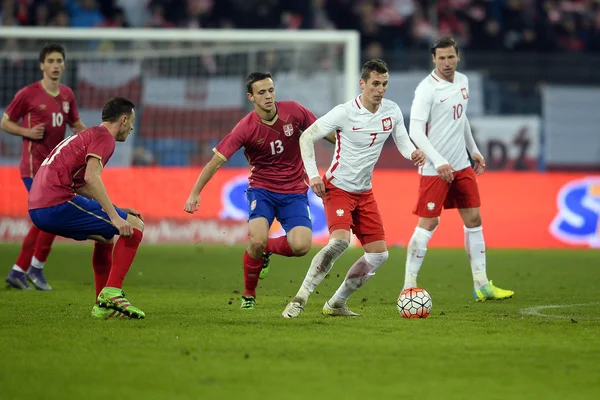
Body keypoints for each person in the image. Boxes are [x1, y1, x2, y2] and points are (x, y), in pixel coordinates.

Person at [282, 59, 425, 318]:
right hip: (337, 188)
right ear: (362, 84)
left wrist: (413, 152)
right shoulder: (344, 112)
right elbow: (306, 136)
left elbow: (402, 142)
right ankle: (300, 298)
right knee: (339, 244)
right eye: (375, 84)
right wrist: (313, 175)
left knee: (379, 255)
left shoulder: (391, 112)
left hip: (365, 192)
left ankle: (336, 303)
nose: (380, 89)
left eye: (384, 84)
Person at [183, 72, 335, 309]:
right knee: (257, 240)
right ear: (251, 97)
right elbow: (216, 161)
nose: (268, 96)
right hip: (261, 189)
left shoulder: (294, 111)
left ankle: (265, 251)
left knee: (301, 246)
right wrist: (195, 192)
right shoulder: (245, 128)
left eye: (271, 90)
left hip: (294, 190)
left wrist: (350, 141)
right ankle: (248, 294)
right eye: (261, 92)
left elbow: (323, 132)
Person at [402, 37, 514, 301]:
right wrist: (438, 160)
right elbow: (415, 130)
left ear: (458, 57)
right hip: (434, 168)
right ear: (433, 59)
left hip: (461, 165)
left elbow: (460, 117)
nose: (447, 62)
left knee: (474, 219)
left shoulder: (463, 82)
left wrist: (473, 149)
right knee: (429, 222)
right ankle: (408, 285)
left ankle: (482, 285)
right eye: (441, 58)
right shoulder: (426, 90)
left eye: (450, 57)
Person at [28, 97, 145, 319]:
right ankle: (111, 292)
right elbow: (92, 177)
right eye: (132, 121)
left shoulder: (86, 135)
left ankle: (102, 307)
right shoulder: (105, 139)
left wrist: (116, 210)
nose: (131, 127)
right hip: (55, 202)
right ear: (123, 119)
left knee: (105, 236)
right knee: (135, 226)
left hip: (38, 206)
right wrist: (115, 217)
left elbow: (80, 184)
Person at [3, 42, 87, 291]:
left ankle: (26, 270)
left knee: (50, 218)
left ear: (64, 65)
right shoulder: (28, 94)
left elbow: (75, 124)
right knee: (51, 215)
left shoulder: (67, 95)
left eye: (59, 61)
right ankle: (28, 269)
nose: (55, 66)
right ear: (41, 65)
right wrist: (26, 131)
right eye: (50, 61)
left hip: (54, 170)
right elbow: (5, 122)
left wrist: (99, 137)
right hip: (31, 167)